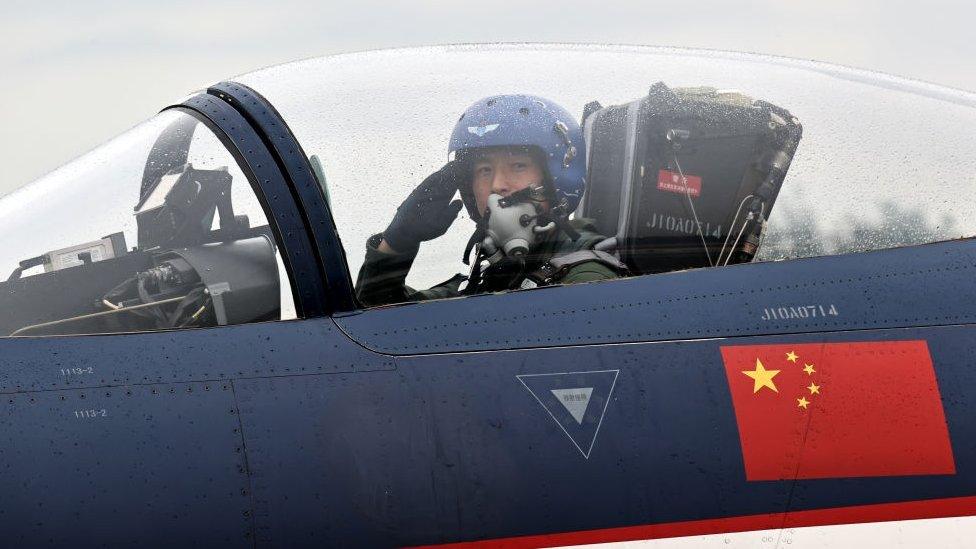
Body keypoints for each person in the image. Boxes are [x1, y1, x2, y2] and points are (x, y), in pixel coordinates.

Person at [355, 94, 628, 307]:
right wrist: (396, 244)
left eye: (518, 166)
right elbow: (376, 323)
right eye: (484, 171)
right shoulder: (483, 283)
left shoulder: (589, 277)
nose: (497, 185)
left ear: (558, 178)